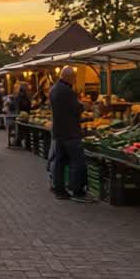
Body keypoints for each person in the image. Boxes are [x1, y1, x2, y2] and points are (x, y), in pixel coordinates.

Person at [49, 66, 87, 201]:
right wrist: (82, 105)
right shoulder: (67, 91)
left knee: (59, 161)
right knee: (77, 162)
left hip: (58, 131)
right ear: (69, 77)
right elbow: (76, 109)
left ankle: (59, 189)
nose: (75, 80)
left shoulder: (53, 89)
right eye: (74, 78)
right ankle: (76, 190)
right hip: (70, 133)